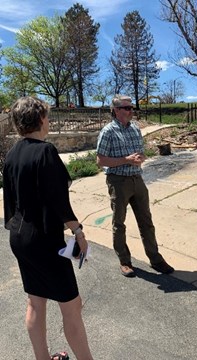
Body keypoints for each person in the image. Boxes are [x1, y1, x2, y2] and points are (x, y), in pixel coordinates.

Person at [3, 97, 93, 360]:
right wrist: (78, 232)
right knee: (71, 307)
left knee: (35, 300)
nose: (49, 122)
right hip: (44, 241)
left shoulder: (11, 154)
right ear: (40, 119)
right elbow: (59, 202)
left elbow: (11, 201)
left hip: (19, 237)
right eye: (47, 117)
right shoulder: (45, 151)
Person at [96, 94, 175, 277]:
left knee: (146, 222)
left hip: (137, 179)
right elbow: (100, 161)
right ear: (116, 110)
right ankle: (124, 261)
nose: (131, 111)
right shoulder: (108, 131)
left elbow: (140, 153)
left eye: (132, 108)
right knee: (119, 223)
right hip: (118, 181)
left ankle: (156, 259)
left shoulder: (135, 129)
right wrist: (126, 160)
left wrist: (141, 158)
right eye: (127, 108)